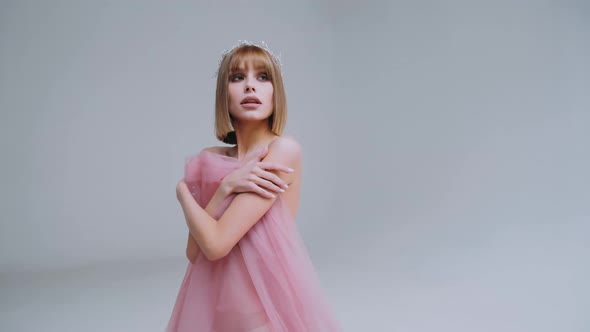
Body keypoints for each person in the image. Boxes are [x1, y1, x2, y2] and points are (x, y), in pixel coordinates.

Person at [166, 41, 340, 332]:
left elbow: (216, 244)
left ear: (276, 94)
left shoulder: (282, 151)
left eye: (262, 77)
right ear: (224, 93)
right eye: (237, 78)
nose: (250, 87)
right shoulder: (209, 159)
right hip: (213, 309)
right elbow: (194, 253)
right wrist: (223, 187)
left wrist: (182, 192)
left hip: (262, 311)